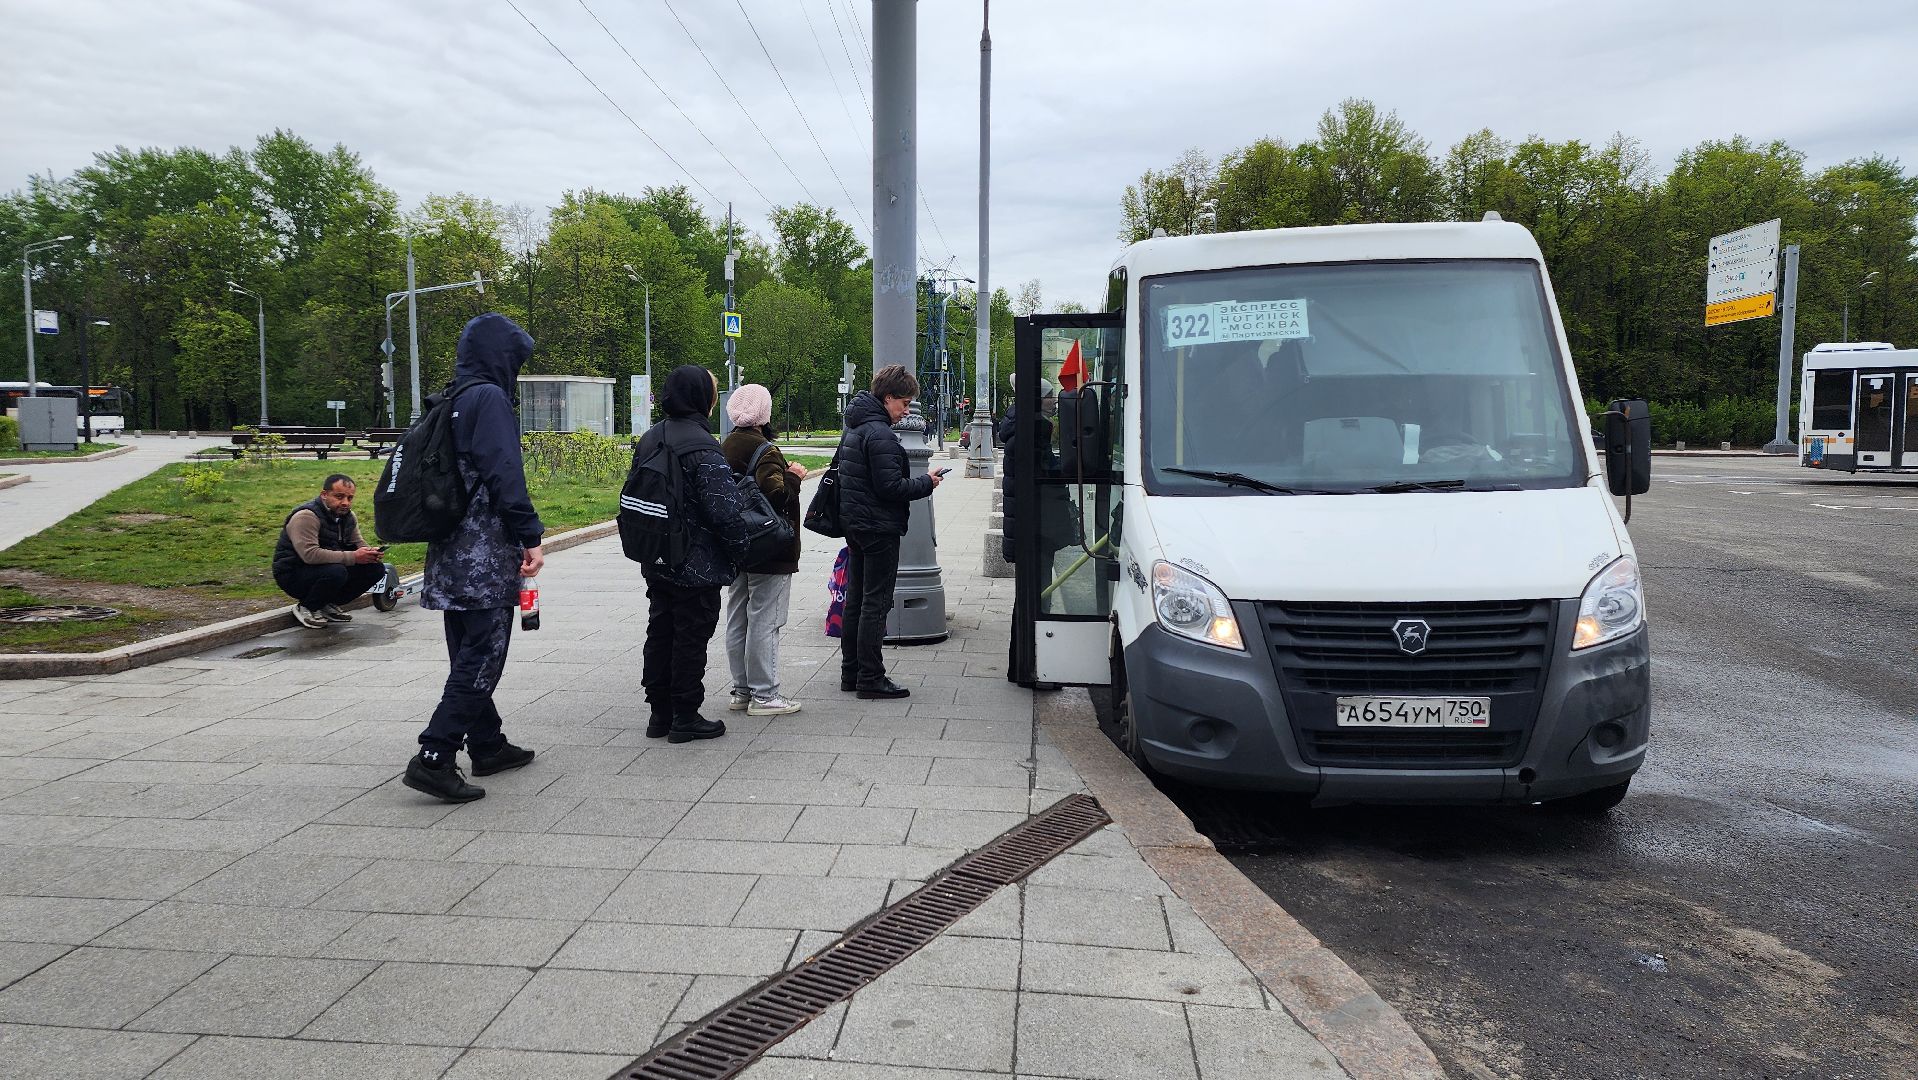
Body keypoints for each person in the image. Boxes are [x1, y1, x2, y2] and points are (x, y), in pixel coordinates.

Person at [404, 313, 544, 804]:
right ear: (498, 357)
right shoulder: (489, 400)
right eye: (515, 359)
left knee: (467, 649)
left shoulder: (452, 398)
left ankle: (487, 744)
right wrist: (530, 534)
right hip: (482, 553)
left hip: (447, 550)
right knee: (485, 654)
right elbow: (505, 475)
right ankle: (435, 755)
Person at [640, 365, 752, 742]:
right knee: (690, 636)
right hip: (696, 561)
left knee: (660, 629)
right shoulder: (703, 446)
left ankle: (660, 714)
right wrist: (740, 552)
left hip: (657, 555)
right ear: (702, 399)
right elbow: (724, 510)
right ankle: (686, 715)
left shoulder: (651, 436)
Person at [838, 364, 942, 699]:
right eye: (904, 403)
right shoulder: (880, 434)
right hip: (878, 526)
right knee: (875, 602)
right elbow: (890, 487)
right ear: (887, 398)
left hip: (855, 524)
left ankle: (851, 672)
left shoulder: (854, 428)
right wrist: (927, 482)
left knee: (855, 599)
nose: (906, 411)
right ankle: (871, 677)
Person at [720, 384, 808, 717]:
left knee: (738, 616)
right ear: (764, 414)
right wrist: (794, 477)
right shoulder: (765, 450)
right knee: (765, 620)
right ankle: (765, 694)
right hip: (769, 548)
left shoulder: (724, 446)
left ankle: (741, 690)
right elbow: (776, 494)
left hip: (738, 545)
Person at [272, 474, 385, 629]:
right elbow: (310, 555)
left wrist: (370, 553)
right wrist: (354, 557)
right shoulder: (306, 516)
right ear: (324, 495)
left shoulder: (348, 516)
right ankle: (307, 607)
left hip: (325, 568)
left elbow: (357, 543)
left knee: (375, 569)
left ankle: (326, 604)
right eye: (339, 496)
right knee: (337, 572)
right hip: (293, 572)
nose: (345, 502)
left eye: (350, 498)